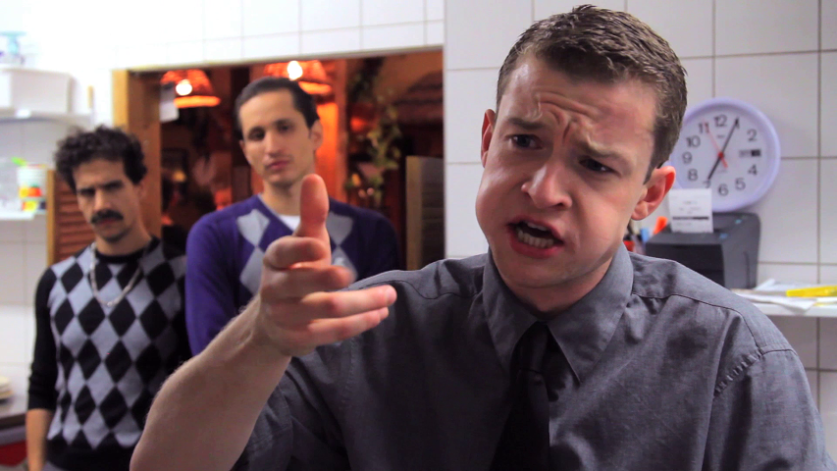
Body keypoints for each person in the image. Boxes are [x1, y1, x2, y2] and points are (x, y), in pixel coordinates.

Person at [132, 7, 836, 471]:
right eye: (524, 142)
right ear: (487, 139)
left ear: (649, 195)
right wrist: (260, 338)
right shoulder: (372, 334)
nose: (543, 189)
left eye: (594, 166)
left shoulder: (732, 360)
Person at [184, 77, 400, 354]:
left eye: (284, 128)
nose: (272, 146)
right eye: (257, 135)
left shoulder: (371, 232)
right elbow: (209, 353)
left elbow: (384, 342)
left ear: (316, 134)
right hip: (256, 385)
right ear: (245, 151)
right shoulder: (214, 235)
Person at [27, 126, 190, 471]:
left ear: (140, 187)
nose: (101, 204)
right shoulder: (55, 282)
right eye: (87, 192)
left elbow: (198, 388)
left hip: (146, 464)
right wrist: (37, 466)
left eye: (113, 186)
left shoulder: (183, 275)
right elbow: (41, 386)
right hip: (64, 462)